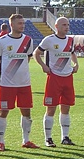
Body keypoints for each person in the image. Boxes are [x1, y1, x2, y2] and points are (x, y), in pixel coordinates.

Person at [0, 13, 38, 151]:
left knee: (26, 112)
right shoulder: (1, 41)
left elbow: (27, 58)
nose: (22, 26)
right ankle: (1, 142)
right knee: (3, 112)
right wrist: (5, 74)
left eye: (23, 23)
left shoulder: (28, 40)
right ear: (11, 25)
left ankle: (26, 140)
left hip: (24, 83)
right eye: (19, 23)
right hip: (7, 84)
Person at [33, 16, 78, 147]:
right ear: (57, 27)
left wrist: (76, 64)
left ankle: (65, 137)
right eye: (64, 25)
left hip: (68, 77)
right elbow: (36, 53)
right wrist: (43, 66)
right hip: (54, 78)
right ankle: (48, 138)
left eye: (68, 24)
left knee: (66, 108)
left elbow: (72, 53)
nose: (66, 27)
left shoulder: (70, 40)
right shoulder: (49, 40)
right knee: (51, 109)